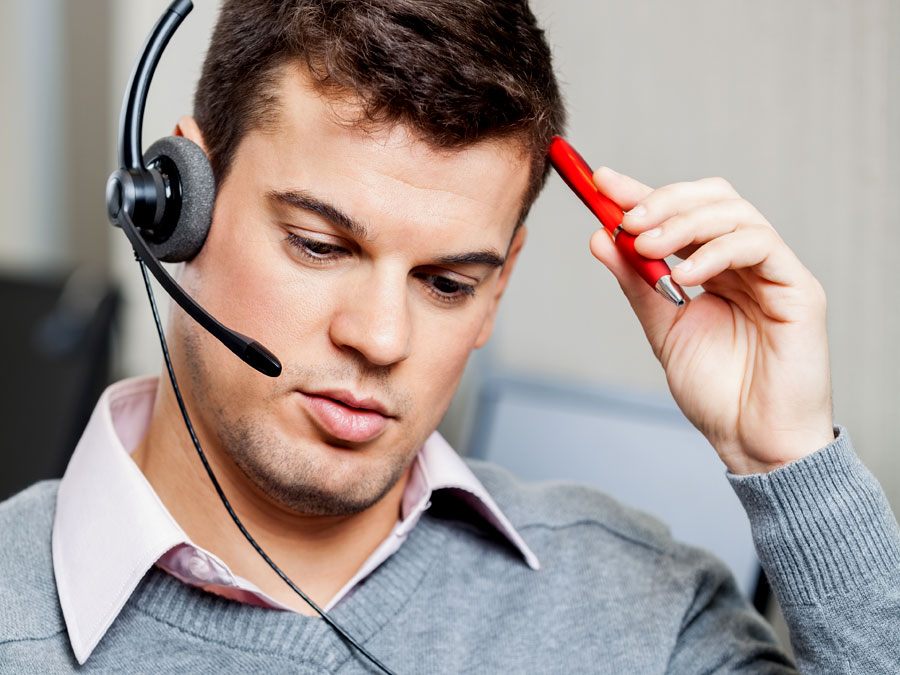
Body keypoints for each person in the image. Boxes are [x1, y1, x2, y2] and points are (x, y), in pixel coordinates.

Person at [1, 0, 898, 672]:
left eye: (446, 283)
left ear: (497, 286)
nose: (382, 338)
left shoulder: (645, 611)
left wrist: (789, 460)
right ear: (176, 206)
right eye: (319, 244)